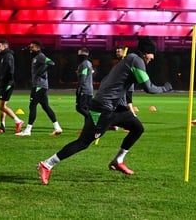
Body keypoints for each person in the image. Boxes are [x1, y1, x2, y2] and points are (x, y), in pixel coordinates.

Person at [37, 36, 173, 185]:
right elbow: (149, 88)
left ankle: (118, 160)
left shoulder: (129, 60)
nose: (152, 58)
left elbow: (110, 83)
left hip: (109, 107)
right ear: (146, 52)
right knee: (83, 142)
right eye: (152, 54)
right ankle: (47, 164)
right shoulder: (137, 60)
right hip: (102, 108)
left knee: (137, 127)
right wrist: (166, 87)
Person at [16, 40, 63, 136]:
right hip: (40, 85)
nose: (30, 49)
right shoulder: (36, 57)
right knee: (45, 107)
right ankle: (57, 127)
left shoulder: (41, 56)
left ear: (38, 48)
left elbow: (51, 63)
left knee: (32, 106)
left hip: (39, 86)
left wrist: (42, 71)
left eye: (32, 47)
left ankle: (28, 130)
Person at [0, 40, 24, 134]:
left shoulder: (8, 56)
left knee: (1, 106)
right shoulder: (4, 56)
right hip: (4, 83)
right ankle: (2, 126)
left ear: (5, 46)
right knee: (2, 105)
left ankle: (18, 121)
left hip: (7, 84)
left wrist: (9, 82)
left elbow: (11, 70)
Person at [75, 47, 94, 118]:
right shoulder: (89, 63)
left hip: (84, 89)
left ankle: (94, 120)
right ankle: (87, 128)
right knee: (87, 108)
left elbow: (83, 77)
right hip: (89, 89)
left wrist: (79, 89)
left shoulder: (84, 64)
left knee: (80, 107)